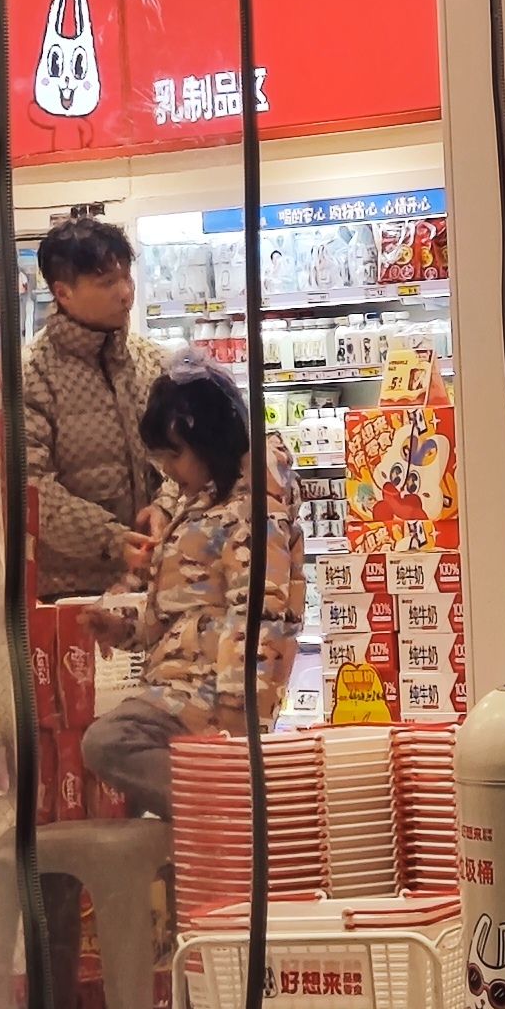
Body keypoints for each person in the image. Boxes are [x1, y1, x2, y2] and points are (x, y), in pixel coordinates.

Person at [79, 360, 306, 816]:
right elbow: (178, 612)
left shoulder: (252, 513)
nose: (167, 469)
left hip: (208, 699)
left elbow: (260, 620)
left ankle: (229, 812)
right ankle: (222, 815)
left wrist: (237, 720)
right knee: (110, 743)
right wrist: (121, 627)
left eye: (174, 455)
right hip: (183, 690)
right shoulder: (203, 502)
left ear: (210, 440)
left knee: (110, 741)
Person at [23, 215, 164, 599]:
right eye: (107, 283)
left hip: (161, 583)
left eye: (127, 277)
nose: (126, 293)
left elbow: (190, 457)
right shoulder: (32, 375)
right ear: (63, 292)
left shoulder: (152, 361)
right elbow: (31, 489)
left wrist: (165, 508)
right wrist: (112, 539)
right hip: (73, 592)